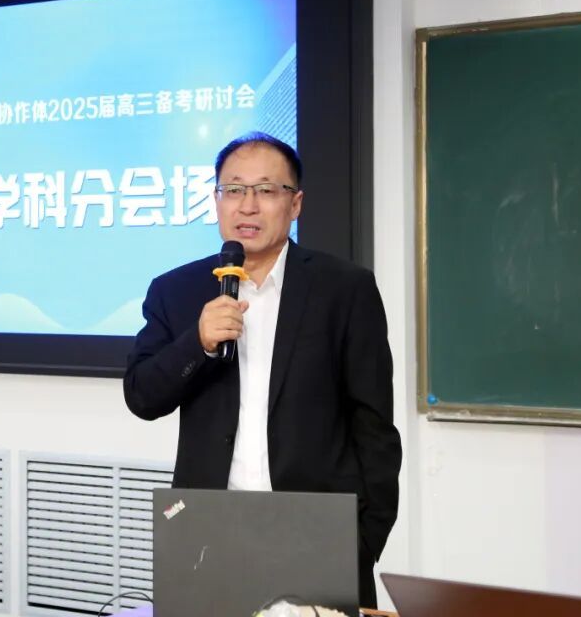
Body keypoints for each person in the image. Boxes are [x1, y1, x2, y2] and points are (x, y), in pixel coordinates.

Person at [123, 132, 401, 607]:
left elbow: (374, 426)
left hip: (316, 532)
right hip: (206, 531)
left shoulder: (344, 289)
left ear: (295, 204)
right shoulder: (176, 290)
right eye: (233, 189)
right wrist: (198, 342)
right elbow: (142, 396)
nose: (247, 206)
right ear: (216, 200)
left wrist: (361, 542)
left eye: (266, 190)